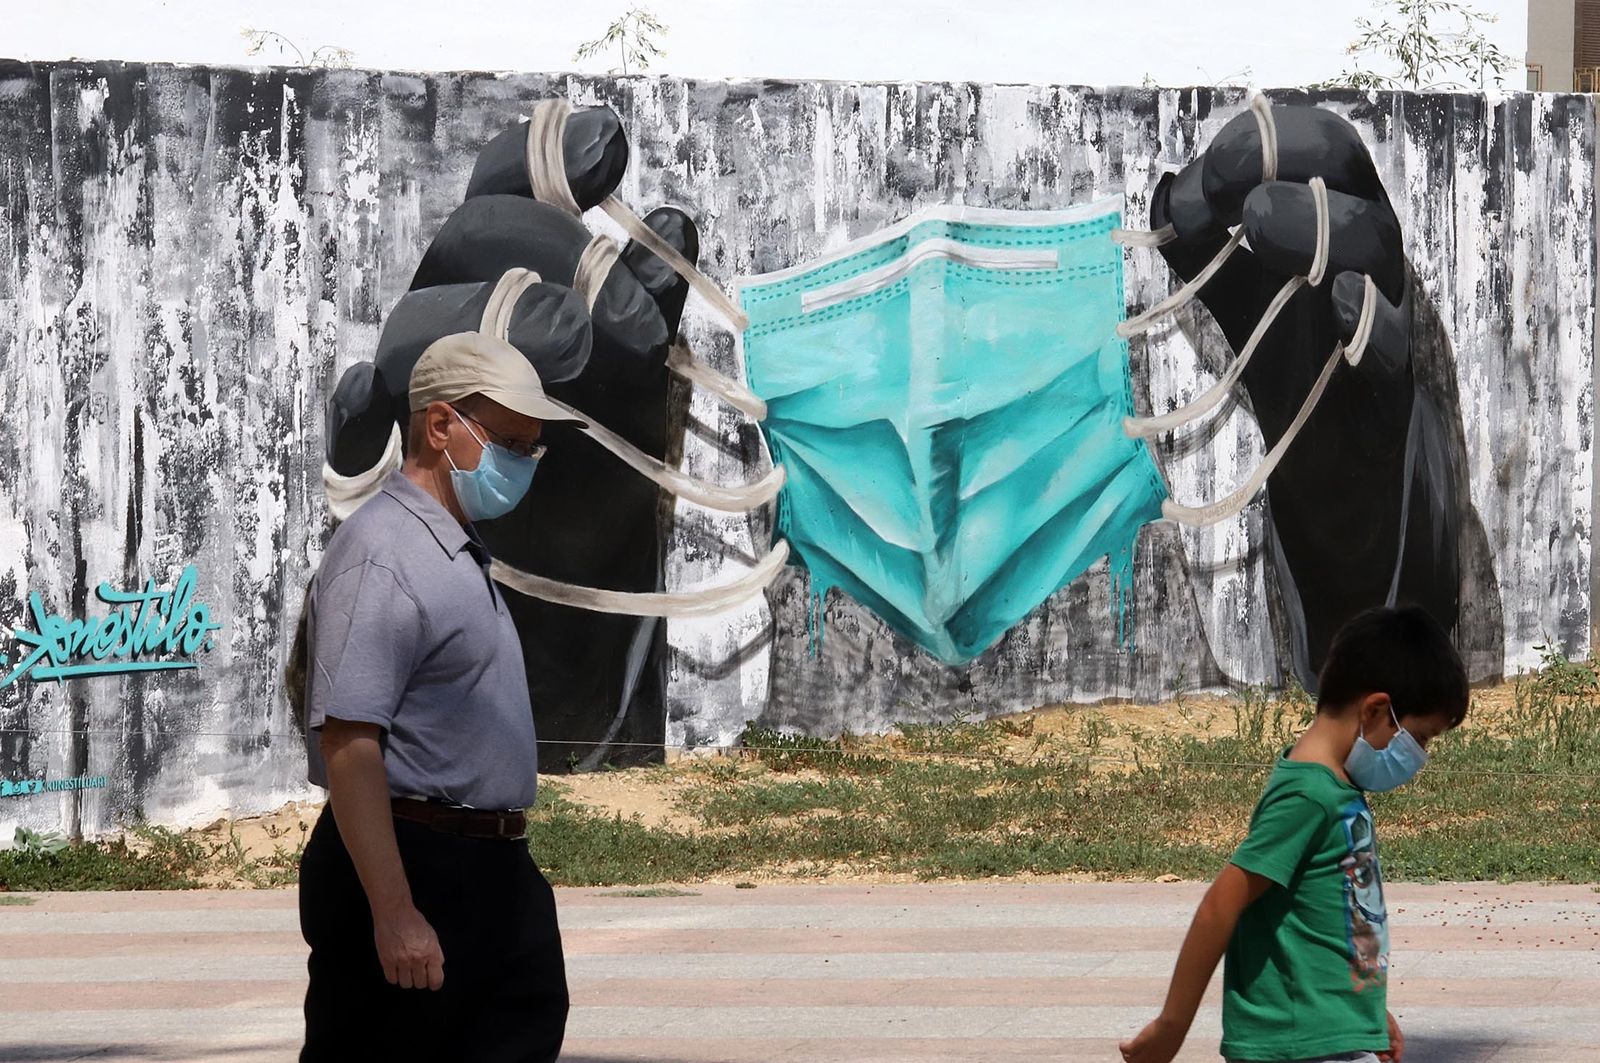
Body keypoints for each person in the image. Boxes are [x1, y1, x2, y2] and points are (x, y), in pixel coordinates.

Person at [296, 330, 586, 1062]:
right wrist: (394, 913)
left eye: (532, 449)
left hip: (490, 872)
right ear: (440, 424)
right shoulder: (382, 553)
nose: (523, 463)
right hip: (418, 865)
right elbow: (349, 744)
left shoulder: (449, 545)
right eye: (510, 441)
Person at [1120, 605, 1469, 1063]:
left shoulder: (1337, 788)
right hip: (1295, 1045)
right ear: (1377, 709)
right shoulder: (1308, 795)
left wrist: (1361, 1011)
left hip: (1327, 1037)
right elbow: (1220, 905)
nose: (1420, 755)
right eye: (1420, 737)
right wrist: (1172, 1026)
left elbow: (1329, 920)